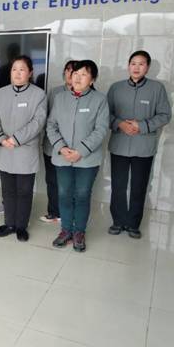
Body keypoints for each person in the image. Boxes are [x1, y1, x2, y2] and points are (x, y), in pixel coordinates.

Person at [107, 50, 172, 239]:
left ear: (147, 67)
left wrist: (141, 126)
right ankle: (118, 221)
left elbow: (165, 115)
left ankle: (133, 224)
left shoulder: (157, 88)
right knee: (118, 186)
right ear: (128, 66)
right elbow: (105, 114)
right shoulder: (116, 88)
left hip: (144, 147)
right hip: (119, 144)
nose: (136, 67)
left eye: (141, 64)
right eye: (133, 63)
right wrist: (120, 124)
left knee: (139, 186)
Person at [47, 60, 109, 252]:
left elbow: (101, 129)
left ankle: (79, 232)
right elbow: (51, 125)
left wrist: (80, 151)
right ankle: (66, 230)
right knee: (64, 194)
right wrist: (61, 147)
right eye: (75, 73)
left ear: (92, 79)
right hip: (63, 156)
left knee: (82, 195)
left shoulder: (99, 100)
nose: (78, 78)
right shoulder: (60, 98)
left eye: (83, 74)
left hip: (87, 159)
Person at [0, 55, 47, 241]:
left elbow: (38, 122)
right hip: (4, 149)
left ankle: (21, 226)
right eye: (14, 69)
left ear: (30, 73)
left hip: (25, 150)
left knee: (24, 191)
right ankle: (9, 223)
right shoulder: (1, 93)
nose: (17, 73)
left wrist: (16, 139)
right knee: (7, 190)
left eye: (22, 69)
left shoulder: (39, 94)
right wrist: (1, 138)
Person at [40, 60, 77, 223]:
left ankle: (71, 213)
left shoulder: (86, 94)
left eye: (74, 71)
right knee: (52, 181)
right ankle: (54, 212)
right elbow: (46, 118)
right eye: (68, 70)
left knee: (71, 183)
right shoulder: (54, 92)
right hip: (52, 146)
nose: (70, 73)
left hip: (73, 149)